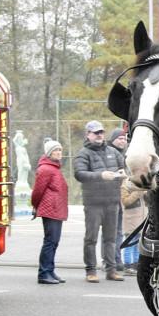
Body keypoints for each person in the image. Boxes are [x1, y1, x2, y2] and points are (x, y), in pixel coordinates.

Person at [74, 120, 125, 282]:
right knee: (91, 238)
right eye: (96, 133)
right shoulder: (83, 153)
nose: (99, 135)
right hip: (93, 203)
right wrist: (100, 175)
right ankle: (90, 271)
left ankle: (111, 270)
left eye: (101, 132)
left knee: (111, 238)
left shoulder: (112, 151)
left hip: (112, 201)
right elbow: (79, 174)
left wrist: (124, 171)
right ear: (88, 134)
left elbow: (126, 166)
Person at [30, 139, 69, 285]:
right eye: (55, 150)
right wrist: (36, 206)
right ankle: (44, 273)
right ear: (49, 153)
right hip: (50, 210)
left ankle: (50, 271)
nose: (59, 153)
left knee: (54, 242)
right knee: (50, 242)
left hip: (56, 209)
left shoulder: (54, 167)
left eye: (59, 150)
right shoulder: (45, 169)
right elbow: (37, 191)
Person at [108, 128, 129, 273]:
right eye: (120, 138)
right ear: (113, 139)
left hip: (124, 199)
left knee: (120, 231)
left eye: (124, 138)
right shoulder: (108, 152)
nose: (122, 141)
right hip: (111, 197)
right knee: (110, 232)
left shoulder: (128, 154)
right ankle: (110, 260)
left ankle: (117, 259)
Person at [120, 176, 147, 276]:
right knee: (129, 242)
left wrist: (146, 193)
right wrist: (138, 191)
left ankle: (136, 263)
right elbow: (126, 201)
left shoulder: (143, 181)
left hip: (141, 218)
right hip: (131, 219)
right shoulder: (126, 182)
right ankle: (127, 265)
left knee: (138, 243)